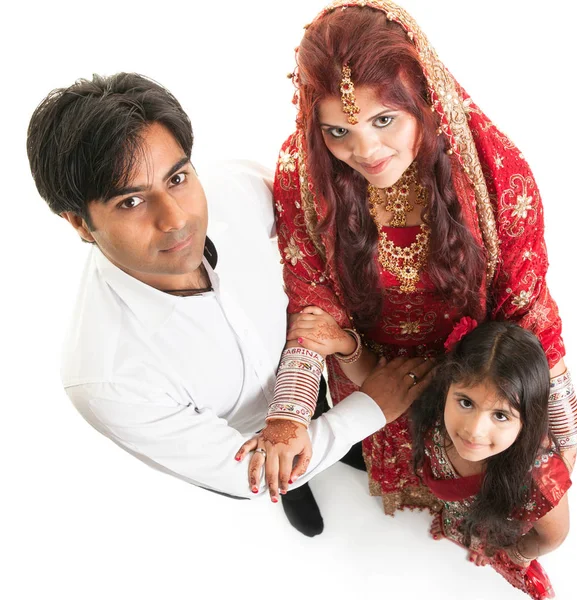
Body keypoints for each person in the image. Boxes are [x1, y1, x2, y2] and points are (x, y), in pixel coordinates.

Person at [25, 71, 431, 536]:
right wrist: (371, 407)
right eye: (131, 201)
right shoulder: (107, 379)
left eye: (177, 178)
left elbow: (321, 224)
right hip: (249, 436)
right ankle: (297, 486)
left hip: (312, 371)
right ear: (79, 223)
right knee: (276, 473)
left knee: (341, 432)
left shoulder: (237, 188)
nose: (176, 220)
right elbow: (246, 476)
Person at [254, 0, 577, 523]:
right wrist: (289, 415)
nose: (366, 151)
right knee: (356, 454)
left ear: (424, 96)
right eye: (338, 131)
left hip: (472, 370)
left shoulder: (493, 165)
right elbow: (313, 298)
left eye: (385, 119)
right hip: (365, 363)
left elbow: (526, 303)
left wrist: (565, 431)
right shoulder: (303, 169)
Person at [411, 319, 571, 599]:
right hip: (458, 511)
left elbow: (553, 536)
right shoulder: (436, 413)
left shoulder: (539, 477)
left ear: (527, 421)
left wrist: (513, 553)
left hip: (496, 532)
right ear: (448, 388)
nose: (474, 431)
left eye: (500, 415)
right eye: (466, 403)